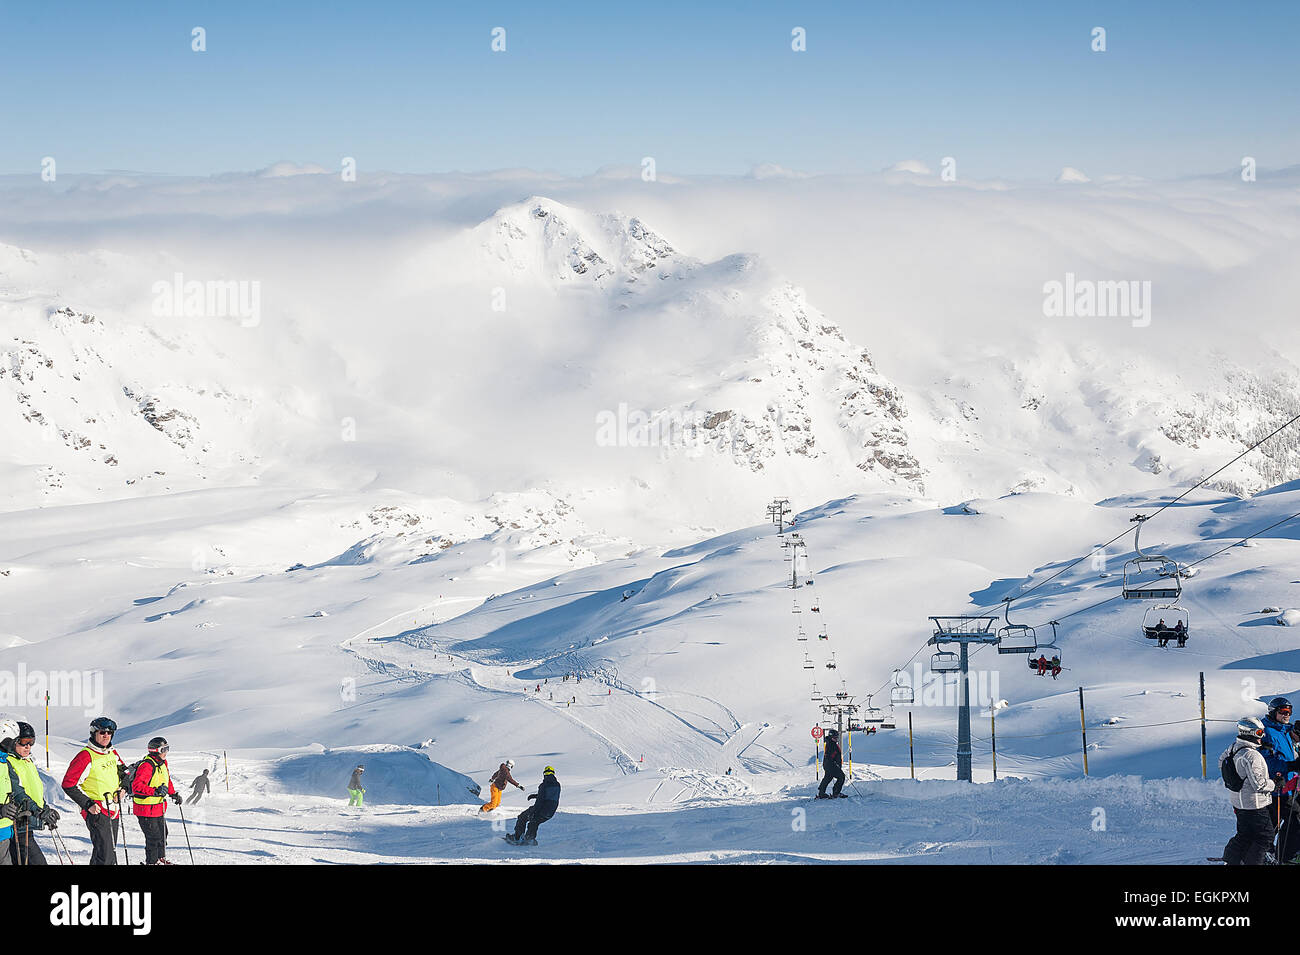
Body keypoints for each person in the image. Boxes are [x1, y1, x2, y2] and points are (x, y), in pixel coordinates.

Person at [61, 716, 128, 865]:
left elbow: (126, 774)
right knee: (105, 853)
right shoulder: (85, 756)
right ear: (93, 733)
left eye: (109, 733)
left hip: (113, 808)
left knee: (107, 850)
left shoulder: (112, 753)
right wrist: (88, 804)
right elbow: (68, 784)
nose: (106, 736)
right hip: (97, 810)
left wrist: (123, 789)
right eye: (102, 732)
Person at [1, 720, 58, 865]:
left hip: (26, 821)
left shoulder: (27, 762)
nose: (28, 746)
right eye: (24, 741)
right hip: (17, 822)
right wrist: (38, 811)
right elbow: (18, 792)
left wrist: (45, 811)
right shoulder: (8, 762)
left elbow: (35, 792)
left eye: (31, 742)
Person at [1222, 717, 1277, 865]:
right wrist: (1275, 784)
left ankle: (1231, 859)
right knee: (1265, 836)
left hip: (1238, 801)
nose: (1262, 736)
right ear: (1249, 732)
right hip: (1255, 804)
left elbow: (1222, 762)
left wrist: (1238, 779)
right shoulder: (1252, 755)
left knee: (1245, 834)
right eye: (1259, 732)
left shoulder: (1232, 748)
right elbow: (1259, 784)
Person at [130, 737, 181, 865]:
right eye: (164, 749)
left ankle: (160, 859)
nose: (166, 752)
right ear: (155, 750)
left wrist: (173, 793)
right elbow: (136, 786)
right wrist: (154, 791)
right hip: (145, 809)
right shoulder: (147, 765)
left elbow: (166, 780)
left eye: (167, 748)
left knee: (163, 834)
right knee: (153, 837)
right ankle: (152, 862)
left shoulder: (163, 763)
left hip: (158, 808)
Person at [1260, 697, 1300, 861]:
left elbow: (1291, 729)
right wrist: (1290, 765)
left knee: (1274, 824)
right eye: (1283, 712)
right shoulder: (1266, 732)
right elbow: (1265, 761)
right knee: (1293, 820)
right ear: (1273, 712)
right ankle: (1283, 855)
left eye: (1289, 712)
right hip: (1275, 786)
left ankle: (1264, 852)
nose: (1287, 715)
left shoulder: (1284, 730)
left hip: (1288, 786)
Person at [507, 766, 561, 845]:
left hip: (542, 809)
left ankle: (517, 837)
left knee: (522, 817)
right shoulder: (557, 785)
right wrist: (535, 795)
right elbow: (548, 796)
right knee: (534, 822)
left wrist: (534, 811)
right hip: (550, 812)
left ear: (544, 774)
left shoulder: (544, 785)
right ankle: (529, 839)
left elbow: (540, 801)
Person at [817, 729, 846, 798]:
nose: (836, 739)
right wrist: (834, 762)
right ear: (831, 737)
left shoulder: (831, 743)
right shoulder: (831, 744)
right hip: (832, 766)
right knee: (841, 777)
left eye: (837, 737)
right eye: (835, 737)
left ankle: (821, 793)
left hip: (830, 765)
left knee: (828, 778)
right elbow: (829, 755)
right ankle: (836, 793)